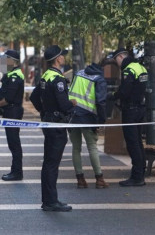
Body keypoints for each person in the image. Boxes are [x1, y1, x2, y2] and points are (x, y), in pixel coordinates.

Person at [30, 45, 76, 212]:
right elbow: (64, 104)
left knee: (48, 163)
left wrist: (44, 112)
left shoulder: (45, 76)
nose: (64, 57)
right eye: (63, 55)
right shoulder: (57, 79)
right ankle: (51, 202)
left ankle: (49, 199)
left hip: (49, 122)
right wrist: (71, 104)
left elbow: (34, 97)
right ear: (58, 59)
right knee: (52, 164)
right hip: (56, 126)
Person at [107, 48, 148, 187]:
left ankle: (137, 177)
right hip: (140, 108)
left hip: (130, 110)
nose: (117, 64)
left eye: (116, 60)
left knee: (132, 143)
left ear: (120, 57)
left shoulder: (129, 70)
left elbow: (125, 91)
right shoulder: (140, 67)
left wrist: (113, 96)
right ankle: (140, 173)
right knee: (138, 142)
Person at [68, 61, 109, 189]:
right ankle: (99, 179)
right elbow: (101, 102)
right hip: (88, 117)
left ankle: (80, 180)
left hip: (72, 115)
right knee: (92, 147)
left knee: (76, 148)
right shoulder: (99, 79)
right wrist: (101, 121)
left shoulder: (79, 73)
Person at [0, 50, 25, 181]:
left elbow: (9, 98)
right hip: (10, 111)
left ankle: (17, 172)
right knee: (13, 143)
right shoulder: (11, 74)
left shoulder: (15, 76)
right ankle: (15, 170)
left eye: (6, 59)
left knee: (14, 143)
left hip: (13, 111)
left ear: (13, 61)